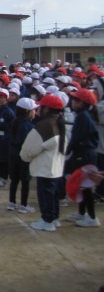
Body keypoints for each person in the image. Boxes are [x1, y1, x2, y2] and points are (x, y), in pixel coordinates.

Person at [20, 94, 67, 232]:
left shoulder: (44, 125)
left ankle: (47, 221)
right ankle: (54, 218)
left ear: (46, 109)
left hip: (45, 167)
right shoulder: (58, 121)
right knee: (53, 195)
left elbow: (29, 149)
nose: (38, 109)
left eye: (41, 107)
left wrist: (25, 157)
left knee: (46, 195)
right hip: (55, 167)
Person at [64, 88, 100, 227]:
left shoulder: (82, 116)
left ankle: (92, 217)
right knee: (81, 184)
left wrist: (67, 151)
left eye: (75, 100)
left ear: (82, 103)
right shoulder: (83, 115)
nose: (72, 102)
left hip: (84, 155)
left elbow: (76, 138)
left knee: (85, 186)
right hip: (84, 153)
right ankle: (81, 213)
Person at [7, 98, 38, 213]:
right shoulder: (28, 126)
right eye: (34, 110)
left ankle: (11, 202)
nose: (35, 112)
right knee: (25, 180)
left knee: (14, 179)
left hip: (13, 153)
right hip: (23, 155)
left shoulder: (15, 121)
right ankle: (23, 205)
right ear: (27, 111)